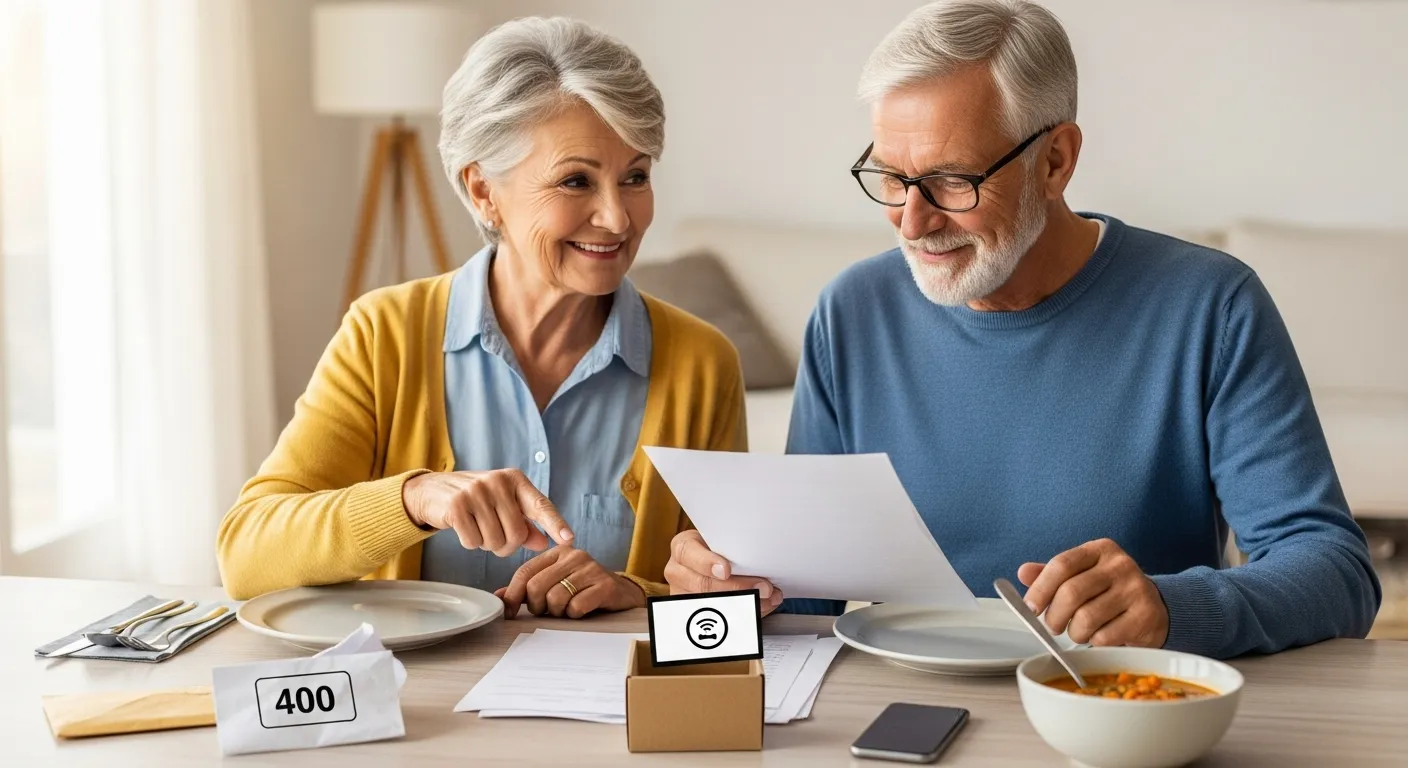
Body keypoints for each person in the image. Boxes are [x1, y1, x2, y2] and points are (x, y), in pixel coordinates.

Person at [664, 0, 1380, 658]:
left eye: (952, 181)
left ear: (1056, 161)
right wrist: (734, 587)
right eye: (890, 176)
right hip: (899, 708)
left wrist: (1172, 607)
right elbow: (811, 588)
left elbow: (1335, 570)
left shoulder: (1212, 307)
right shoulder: (851, 313)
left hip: (1111, 705)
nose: (913, 223)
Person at [218, 17, 746, 619]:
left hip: (619, 710)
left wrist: (638, 593)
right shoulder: (383, 335)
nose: (618, 218)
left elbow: (725, 612)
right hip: (416, 706)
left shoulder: (704, 365)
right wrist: (415, 497)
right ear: (482, 191)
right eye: (576, 180)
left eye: (635, 177)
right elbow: (246, 555)